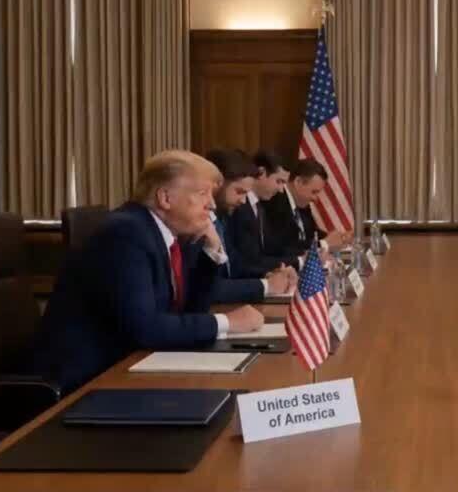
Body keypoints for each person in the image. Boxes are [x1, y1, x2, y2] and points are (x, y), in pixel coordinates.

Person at [33, 150, 267, 394]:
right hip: (83, 383)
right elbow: (146, 329)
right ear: (165, 198)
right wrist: (227, 322)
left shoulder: (166, 233)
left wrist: (211, 251)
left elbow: (188, 311)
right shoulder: (126, 233)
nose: (212, 204)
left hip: (127, 368)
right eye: (202, 194)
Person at [204, 148, 296, 298]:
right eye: (239, 192)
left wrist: (268, 275)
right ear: (217, 185)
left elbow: (235, 266)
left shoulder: (221, 218)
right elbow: (208, 288)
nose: (243, 201)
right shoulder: (195, 226)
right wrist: (266, 286)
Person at [263, 157, 352, 259]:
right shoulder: (275, 202)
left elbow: (311, 234)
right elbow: (286, 247)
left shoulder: (302, 204)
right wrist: (324, 244)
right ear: (298, 182)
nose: (315, 198)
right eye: (314, 192)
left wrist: (341, 238)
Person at [230, 148, 298, 274]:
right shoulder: (238, 206)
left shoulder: (260, 206)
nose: (281, 190)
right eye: (279, 181)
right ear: (261, 172)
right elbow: (248, 261)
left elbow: (271, 249)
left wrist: (300, 258)